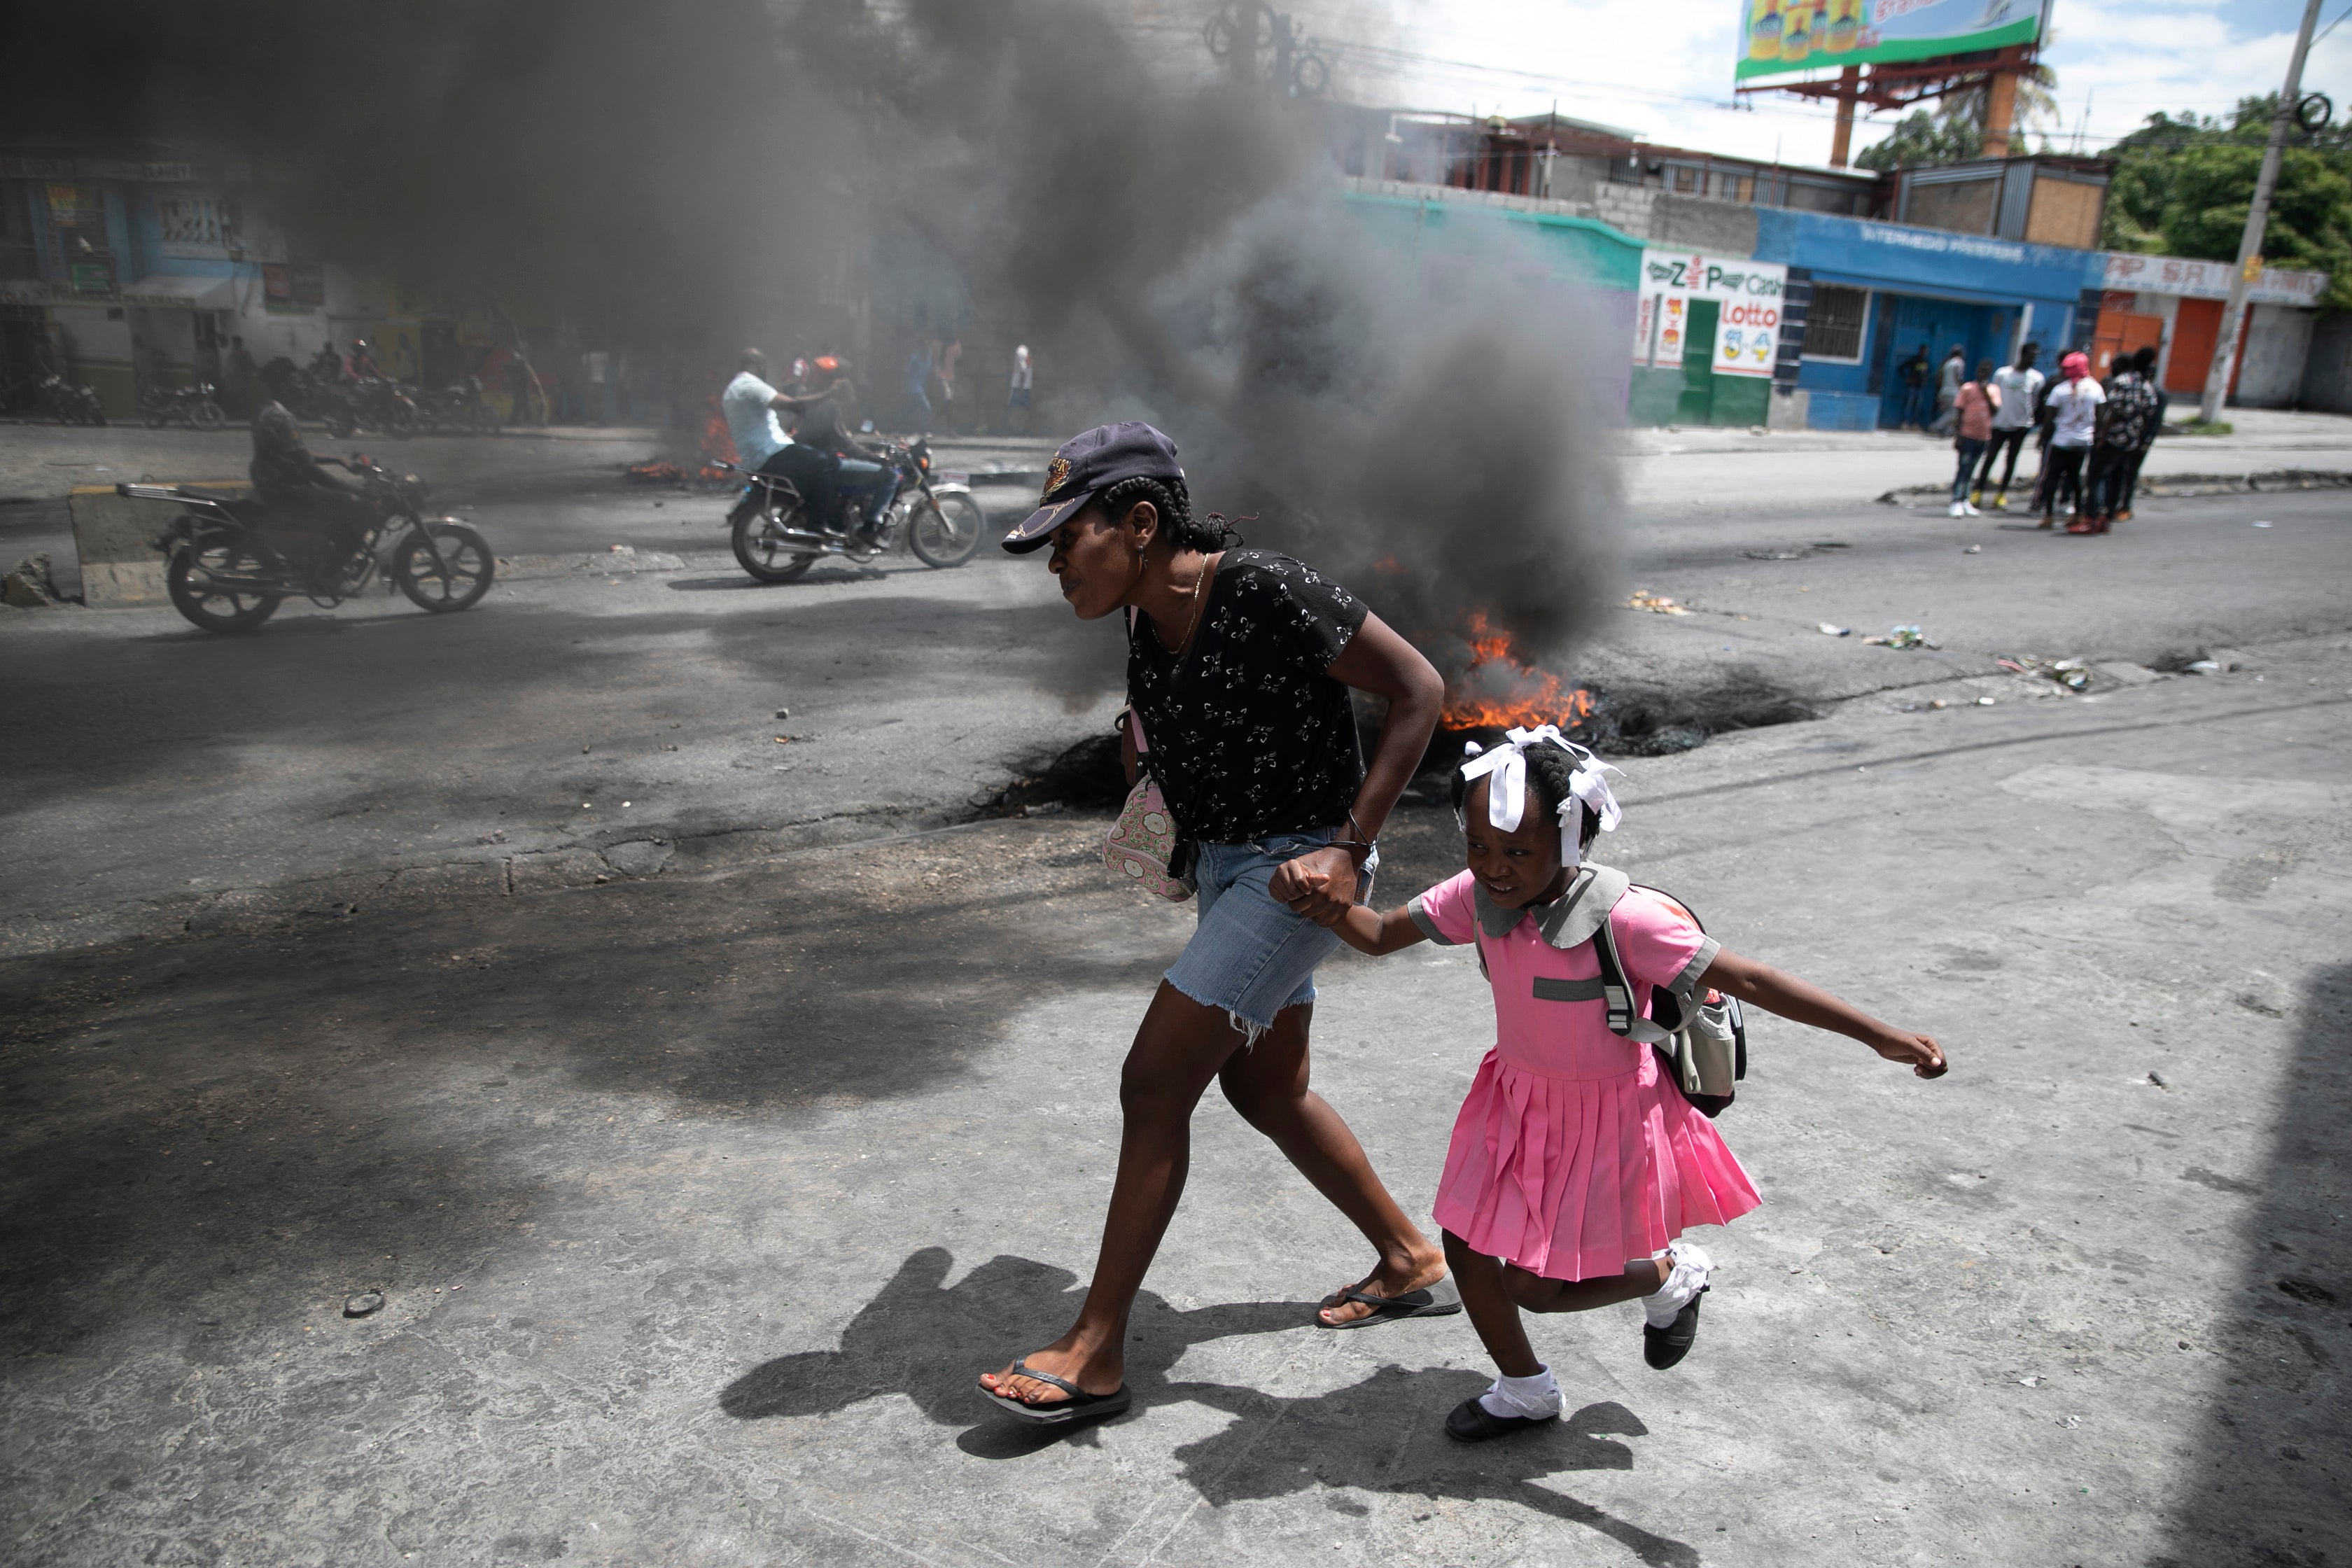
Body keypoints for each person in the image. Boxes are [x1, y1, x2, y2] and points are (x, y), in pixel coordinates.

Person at [978, 421, 1454, 1427]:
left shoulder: (1267, 589)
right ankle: (1411, 1257)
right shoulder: (1149, 623)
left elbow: (1420, 689)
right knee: (1268, 1087)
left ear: (1141, 522)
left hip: (1298, 877)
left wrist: (1349, 844)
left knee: (1154, 1083)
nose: (1058, 563)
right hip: (1229, 869)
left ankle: (1097, 1349)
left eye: (1071, 539)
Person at [1312, 727, 1948, 1441]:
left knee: (1536, 1287)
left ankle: (1672, 1273)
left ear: (1574, 837)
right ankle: (1524, 1388)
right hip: (1514, 1102)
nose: (1493, 868)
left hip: (1605, 1117)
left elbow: (1753, 978)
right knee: (1464, 1243)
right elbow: (1375, 933)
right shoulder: (1478, 898)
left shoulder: (1627, 919)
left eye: (1518, 850)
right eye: (1478, 846)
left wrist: (1878, 1033)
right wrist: (1308, 885)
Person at [720, 348, 880, 535]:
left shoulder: (732, 390)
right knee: (827, 463)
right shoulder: (751, 385)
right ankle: (818, 523)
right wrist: (831, 392)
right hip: (772, 452)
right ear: (759, 365)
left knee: (813, 463)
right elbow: (793, 405)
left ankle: (811, 515)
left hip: (758, 456)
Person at [248, 399, 376, 587]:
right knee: (363, 510)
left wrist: (338, 460)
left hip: (268, 484)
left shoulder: (264, 412)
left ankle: (321, 560)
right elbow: (307, 468)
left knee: (334, 504)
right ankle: (329, 574)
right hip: (286, 489)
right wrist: (353, 490)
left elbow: (297, 454)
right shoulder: (283, 417)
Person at [2084, 346, 2163, 533]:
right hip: (2131, 441)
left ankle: (2092, 516)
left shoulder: (2122, 381)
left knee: (2096, 476)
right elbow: (2150, 411)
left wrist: (2102, 437)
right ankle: (2107, 516)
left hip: (2113, 438)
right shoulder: (2145, 385)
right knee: (2118, 477)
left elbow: (2113, 410)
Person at [1974, 342, 2043, 511]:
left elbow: (2035, 402)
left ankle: (2000, 495)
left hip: (2021, 426)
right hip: (2000, 423)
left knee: (2011, 461)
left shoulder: (2037, 378)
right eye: (2031, 356)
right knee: (1990, 458)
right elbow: (1993, 396)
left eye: (2035, 357)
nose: (2033, 360)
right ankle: (1977, 492)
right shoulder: (2003, 374)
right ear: (2022, 355)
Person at [2040, 351, 2103, 532]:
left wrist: (2043, 438)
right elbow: (2101, 416)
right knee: (2075, 478)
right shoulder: (2095, 388)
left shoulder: (2060, 390)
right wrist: (2098, 437)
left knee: (2053, 477)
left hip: (2062, 441)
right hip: (2083, 441)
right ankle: (2077, 514)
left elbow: (2049, 418)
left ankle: (2048, 515)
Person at [2112, 346, 2166, 522]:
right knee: (2120, 472)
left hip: (2140, 440)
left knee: (2131, 473)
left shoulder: (2156, 393)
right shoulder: (2138, 388)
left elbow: (2155, 421)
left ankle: (2126, 506)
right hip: (2130, 438)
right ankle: (2115, 505)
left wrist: (2146, 441)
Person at [1947, 358, 1999, 517]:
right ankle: (1956, 501)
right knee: (1963, 467)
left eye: (1985, 370)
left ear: (1990, 373)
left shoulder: (1994, 390)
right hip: (1967, 435)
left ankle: (1965, 499)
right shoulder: (1967, 388)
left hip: (1983, 437)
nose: (1982, 373)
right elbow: (1959, 412)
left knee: (1972, 469)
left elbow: (1995, 410)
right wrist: (1958, 436)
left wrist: (1985, 392)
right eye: (1980, 370)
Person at [1927, 343, 1966, 436]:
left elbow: (1940, 377)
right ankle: (1935, 427)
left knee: (1948, 412)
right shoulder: (1959, 362)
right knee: (1953, 413)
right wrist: (1962, 388)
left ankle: (1948, 431)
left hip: (1944, 391)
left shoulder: (1947, 363)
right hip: (1953, 391)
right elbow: (1958, 377)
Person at [903, 337, 934, 435]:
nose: (926, 348)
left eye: (927, 345)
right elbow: (908, 373)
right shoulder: (915, 358)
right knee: (926, 407)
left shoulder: (929, 356)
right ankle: (925, 430)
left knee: (911, 409)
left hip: (921, 387)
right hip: (915, 387)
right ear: (920, 347)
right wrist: (906, 387)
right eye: (923, 346)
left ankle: (897, 426)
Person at [1898, 344, 1932, 429]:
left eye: (1926, 351)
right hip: (1912, 386)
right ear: (1920, 350)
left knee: (1917, 407)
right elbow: (1901, 367)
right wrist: (1906, 378)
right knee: (1908, 405)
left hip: (1920, 387)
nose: (1925, 352)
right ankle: (1904, 423)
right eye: (1924, 350)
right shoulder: (1914, 360)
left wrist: (1926, 379)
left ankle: (1914, 424)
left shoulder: (1926, 362)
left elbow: (1927, 373)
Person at [934, 334, 960, 435]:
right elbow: (935, 360)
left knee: (947, 403)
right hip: (942, 377)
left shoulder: (956, 344)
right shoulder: (938, 344)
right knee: (948, 402)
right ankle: (950, 430)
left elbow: (958, 359)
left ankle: (935, 423)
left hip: (950, 377)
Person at [1007, 342, 1033, 435]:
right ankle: (1015, 430)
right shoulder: (1022, 350)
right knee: (1017, 408)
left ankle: (1020, 430)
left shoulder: (1025, 351)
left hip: (1022, 387)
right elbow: (1024, 369)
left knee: (1020, 409)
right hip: (1020, 387)